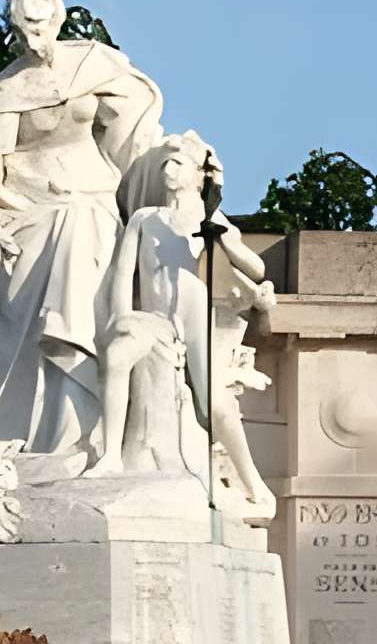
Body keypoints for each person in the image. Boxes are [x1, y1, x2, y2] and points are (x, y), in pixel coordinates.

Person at [0, 0, 164, 487]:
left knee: (84, 238)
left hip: (94, 202)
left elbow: (132, 131)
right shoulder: (8, 88)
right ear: (15, 30)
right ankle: (45, 437)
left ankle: (81, 432)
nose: (35, 40)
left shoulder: (91, 64)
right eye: (25, 31)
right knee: (67, 233)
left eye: (42, 27)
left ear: (57, 19)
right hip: (32, 213)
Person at [87, 130, 279, 516]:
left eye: (177, 164)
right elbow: (123, 273)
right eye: (165, 164)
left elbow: (256, 267)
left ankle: (255, 485)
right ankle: (109, 457)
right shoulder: (145, 218)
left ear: (197, 175)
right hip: (153, 319)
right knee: (119, 355)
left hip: (192, 313)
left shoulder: (210, 218)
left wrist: (225, 242)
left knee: (216, 403)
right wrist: (121, 316)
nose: (168, 170)